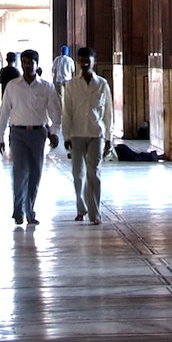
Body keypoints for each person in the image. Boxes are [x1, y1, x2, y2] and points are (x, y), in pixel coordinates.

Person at [0, 49, 61, 226]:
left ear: (37, 64)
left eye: (30, 63)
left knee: (35, 173)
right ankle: (18, 211)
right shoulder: (13, 86)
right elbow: (4, 111)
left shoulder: (46, 87)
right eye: (24, 62)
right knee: (20, 171)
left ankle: (30, 210)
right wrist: (1, 135)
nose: (27, 66)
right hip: (18, 133)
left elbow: (55, 111)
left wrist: (54, 132)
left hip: (39, 133)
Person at [60, 46, 113, 223]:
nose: (84, 63)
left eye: (87, 60)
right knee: (78, 174)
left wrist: (108, 137)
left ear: (93, 61)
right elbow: (67, 111)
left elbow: (108, 113)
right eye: (81, 60)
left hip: (96, 133)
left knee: (94, 173)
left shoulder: (102, 84)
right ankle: (81, 208)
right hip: (76, 133)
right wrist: (66, 135)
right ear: (78, 62)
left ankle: (95, 213)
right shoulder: (72, 85)